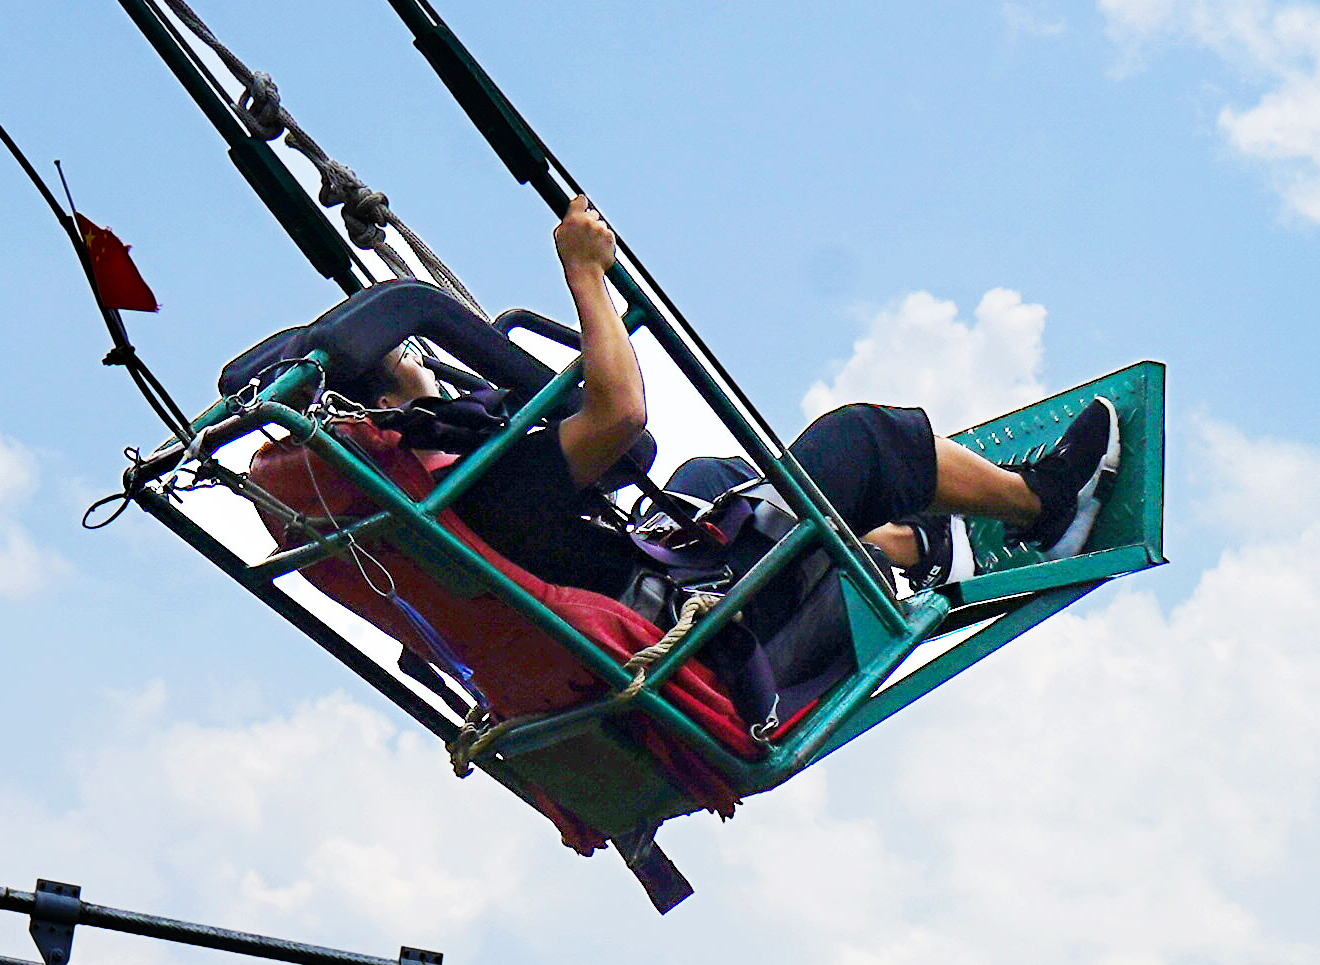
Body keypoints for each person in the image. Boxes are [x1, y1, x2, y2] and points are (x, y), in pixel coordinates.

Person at [403, 201, 1122, 733]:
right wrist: (585, 272)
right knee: (862, 441)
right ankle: (1046, 506)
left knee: (705, 481)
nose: (417, 363)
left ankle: (902, 542)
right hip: (708, 650)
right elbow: (621, 419)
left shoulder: (409, 525)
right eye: (401, 359)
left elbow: (628, 465)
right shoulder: (477, 492)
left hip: (640, 643)